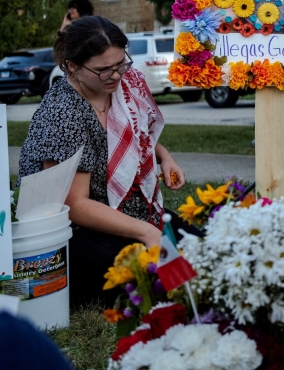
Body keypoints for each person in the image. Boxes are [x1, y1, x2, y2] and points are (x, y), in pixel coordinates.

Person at [17, 16, 192, 306]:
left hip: (122, 212)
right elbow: (74, 205)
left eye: (121, 64)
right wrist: (148, 231)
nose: (116, 76)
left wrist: (164, 156)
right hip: (74, 232)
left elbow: (134, 134)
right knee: (158, 274)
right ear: (71, 66)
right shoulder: (64, 114)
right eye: (103, 70)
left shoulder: (115, 87)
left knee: (198, 247)